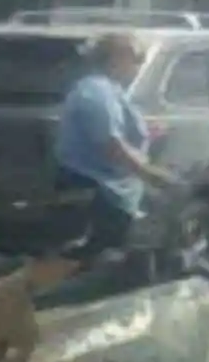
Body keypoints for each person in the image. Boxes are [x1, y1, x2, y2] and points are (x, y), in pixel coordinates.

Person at [53, 31, 186, 274]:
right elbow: (111, 145)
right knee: (89, 261)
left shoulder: (110, 90)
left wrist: (148, 134)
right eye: (137, 58)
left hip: (116, 190)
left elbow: (120, 134)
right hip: (96, 190)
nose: (140, 64)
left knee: (121, 257)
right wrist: (152, 175)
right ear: (117, 58)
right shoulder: (95, 92)